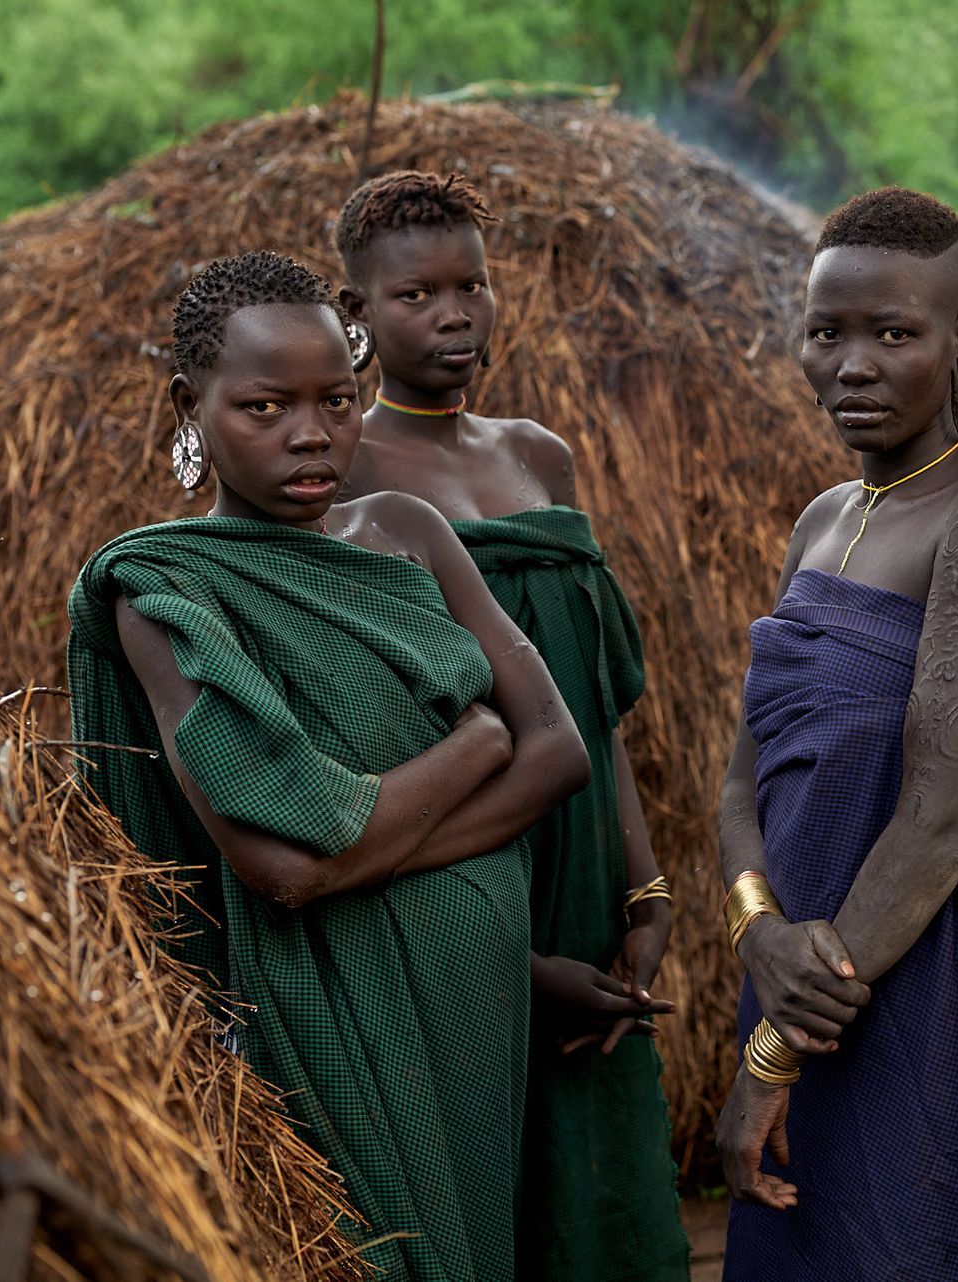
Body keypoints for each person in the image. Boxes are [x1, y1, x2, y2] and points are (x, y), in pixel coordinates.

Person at [67, 251, 594, 1279]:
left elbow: (560, 749)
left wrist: (368, 840)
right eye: (265, 406)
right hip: (319, 999)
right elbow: (282, 867)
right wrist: (474, 746)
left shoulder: (404, 531)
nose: (310, 435)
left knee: (477, 1247)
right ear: (192, 406)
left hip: (470, 987)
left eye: (336, 401)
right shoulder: (164, 588)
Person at [713, 187, 958, 1280]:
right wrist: (758, 936)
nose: (854, 364)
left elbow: (944, 815)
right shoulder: (822, 521)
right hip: (794, 970)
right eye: (828, 332)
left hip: (917, 988)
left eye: (894, 333)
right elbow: (744, 776)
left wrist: (779, 1043)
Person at [330, 170, 689, 1279]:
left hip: (583, 887)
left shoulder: (541, 455)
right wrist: (523, 962)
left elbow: (597, 704)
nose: (452, 315)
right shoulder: (340, 475)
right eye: (415, 294)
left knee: (602, 1190)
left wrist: (643, 892)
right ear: (357, 314)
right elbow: (375, 736)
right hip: (455, 885)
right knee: (488, 1181)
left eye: (472, 286)